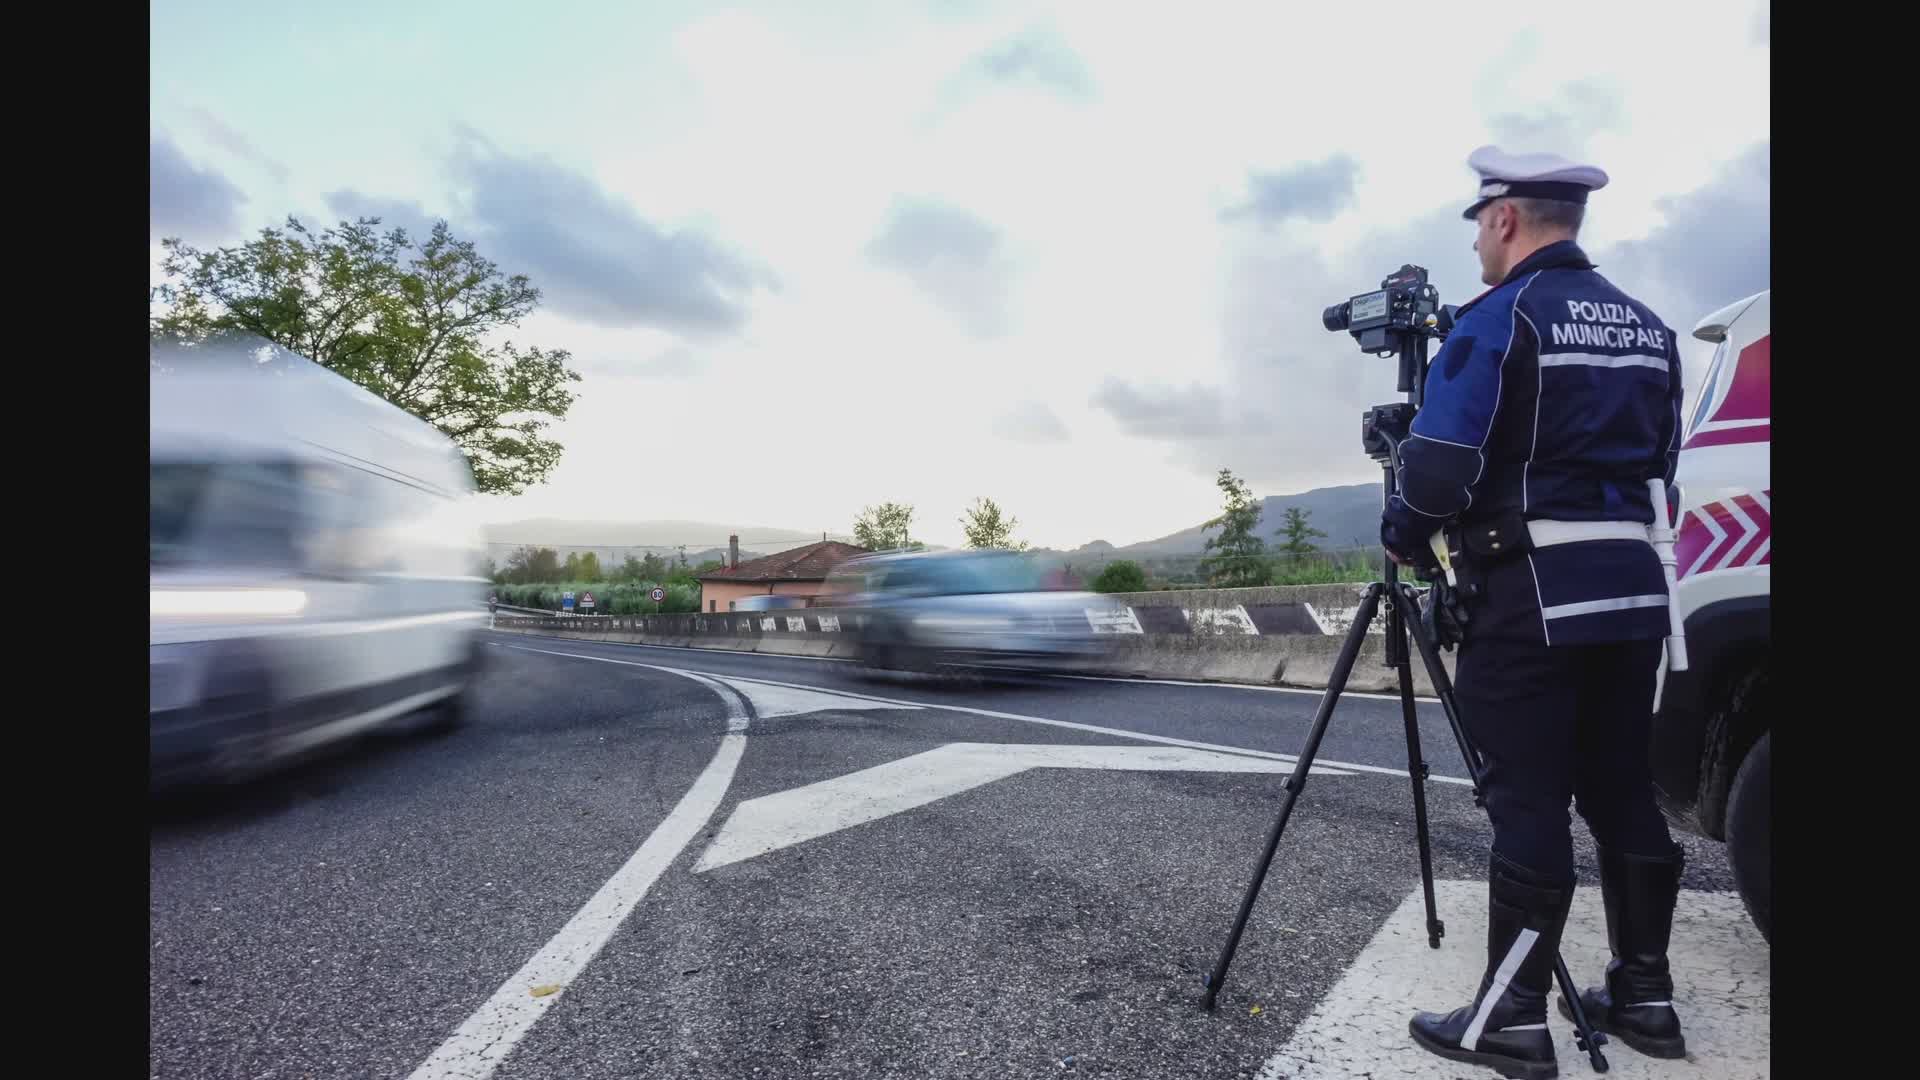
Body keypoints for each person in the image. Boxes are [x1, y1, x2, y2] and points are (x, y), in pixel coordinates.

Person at [1380, 146, 1690, 1079]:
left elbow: (1438, 468)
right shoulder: (1649, 326)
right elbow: (1662, 461)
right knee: (1621, 789)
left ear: (1508, 217)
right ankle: (1646, 996)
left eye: (1479, 221)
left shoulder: (1501, 317)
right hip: (1634, 595)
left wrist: (1401, 529)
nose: (1476, 238)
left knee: (1527, 801)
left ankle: (1514, 1016)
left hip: (1530, 598)